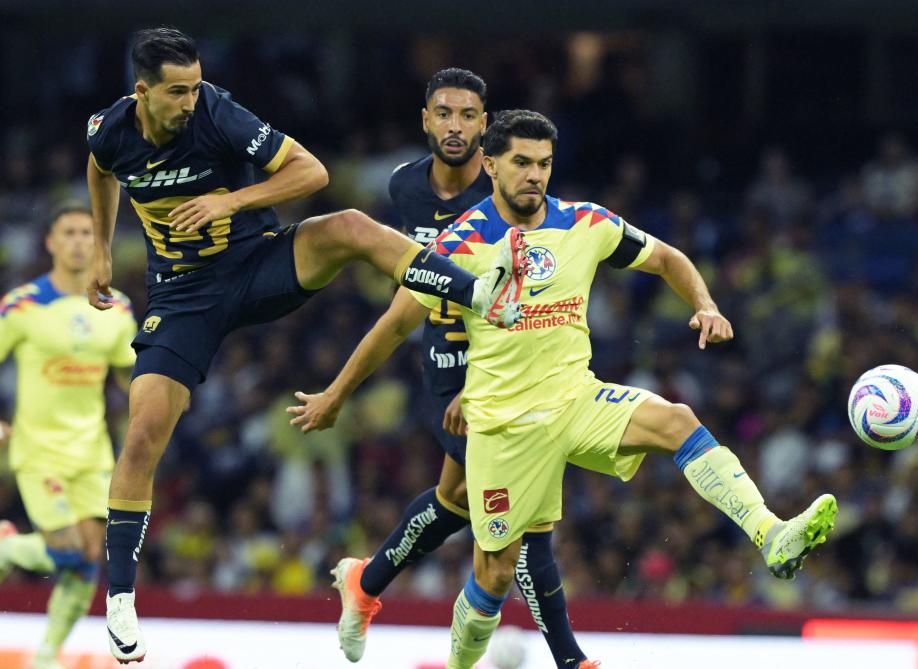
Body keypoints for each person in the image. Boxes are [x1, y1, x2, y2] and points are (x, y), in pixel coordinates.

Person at [290, 110, 838, 669]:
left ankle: (771, 534)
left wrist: (705, 304)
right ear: (491, 165)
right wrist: (336, 394)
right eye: (522, 163)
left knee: (677, 420)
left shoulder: (585, 222)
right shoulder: (461, 243)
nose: (535, 175)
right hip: (505, 430)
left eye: (544, 164)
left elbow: (668, 258)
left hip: (578, 399)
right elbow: (397, 324)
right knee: (496, 573)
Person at [85, 28, 527, 664]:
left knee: (349, 225)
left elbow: (311, 171)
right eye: (176, 92)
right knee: (144, 430)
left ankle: (477, 293)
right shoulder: (109, 130)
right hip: (183, 298)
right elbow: (101, 169)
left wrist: (230, 200)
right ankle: (121, 604)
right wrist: (102, 246)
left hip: (260, 264)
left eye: (194, 86)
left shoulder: (218, 113)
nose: (189, 100)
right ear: (142, 93)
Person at [290, 69, 592, 668]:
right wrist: (338, 392)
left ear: (487, 127)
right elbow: (404, 306)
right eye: (444, 114)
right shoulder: (406, 188)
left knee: (457, 500)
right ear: (425, 120)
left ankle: (366, 583)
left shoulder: (511, 189)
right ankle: (570, 658)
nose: (455, 127)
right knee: (519, 519)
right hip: (447, 365)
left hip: (505, 365)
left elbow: (535, 300)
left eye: (468, 116)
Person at [0, 204, 138, 669]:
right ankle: (6, 548)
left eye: (88, 232)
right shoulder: (22, 305)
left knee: (87, 560)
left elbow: (127, 371)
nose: (80, 240)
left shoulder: (116, 307)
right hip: (39, 449)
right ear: (51, 243)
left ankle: (46, 656)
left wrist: (156, 399)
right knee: (66, 548)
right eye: (70, 233)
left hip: (92, 449)